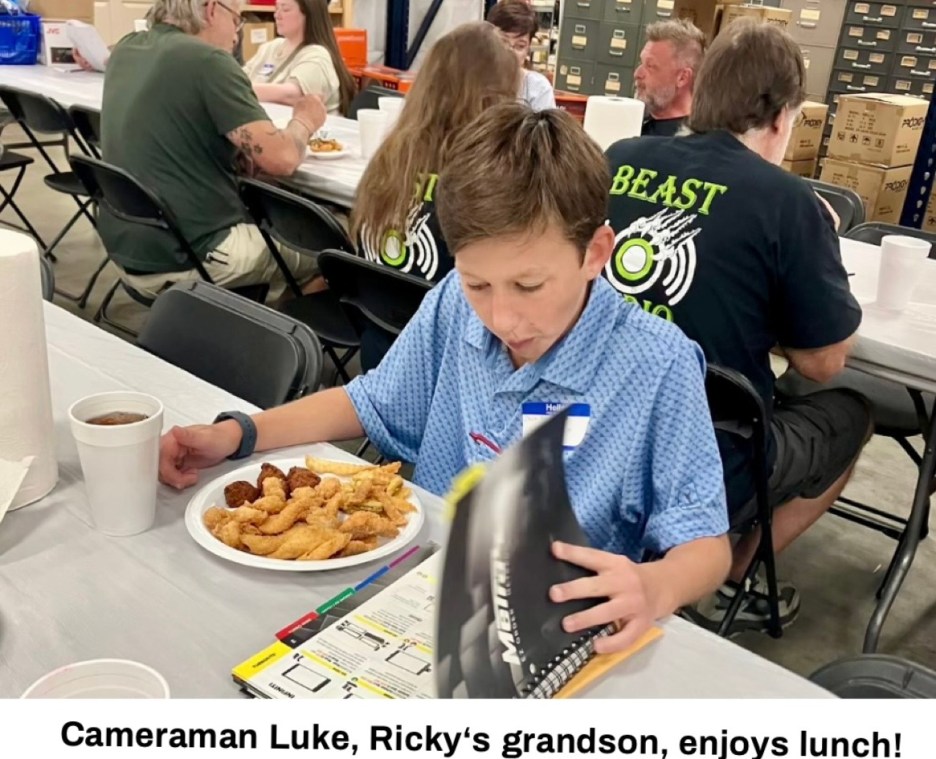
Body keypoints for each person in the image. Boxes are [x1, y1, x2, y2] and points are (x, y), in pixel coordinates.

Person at [160, 103, 732, 654]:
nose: (503, 318)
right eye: (478, 283)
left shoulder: (657, 364)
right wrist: (237, 434)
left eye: (529, 286)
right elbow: (369, 402)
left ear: (595, 253)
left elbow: (706, 544)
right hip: (422, 590)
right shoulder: (452, 307)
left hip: (554, 622)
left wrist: (655, 586)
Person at [604, 18, 870, 633]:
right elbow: (822, 361)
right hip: (707, 455)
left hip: (601, 419)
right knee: (850, 413)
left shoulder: (621, 157)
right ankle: (732, 570)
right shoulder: (788, 201)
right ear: (781, 116)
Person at [99, 0, 327, 302]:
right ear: (210, 10)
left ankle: (253, 326)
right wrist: (305, 120)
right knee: (334, 248)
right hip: (193, 253)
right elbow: (283, 159)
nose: (236, 35)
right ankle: (281, 340)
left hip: (127, 246)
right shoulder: (208, 61)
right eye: (237, 20)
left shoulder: (126, 49)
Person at [350, 21, 521, 370]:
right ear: (495, 99)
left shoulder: (389, 158)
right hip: (448, 367)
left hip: (380, 350)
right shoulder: (486, 179)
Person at [243, 0, 356, 114]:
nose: (277, 15)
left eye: (285, 9)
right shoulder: (270, 48)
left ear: (308, 14)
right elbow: (240, 77)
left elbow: (291, 95)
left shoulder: (317, 55)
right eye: (276, 9)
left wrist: (238, 90)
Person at [634, 19, 705, 136]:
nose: (637, 73)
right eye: (640, 63)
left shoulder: (698, 143)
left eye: (650, 66)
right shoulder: (633, 123)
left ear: (682, 78)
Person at [487, 0, 556, 112]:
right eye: (503, 42)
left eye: (520, 46)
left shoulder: (538, 88)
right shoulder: (474, 82)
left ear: (528, 49)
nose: (510, 52)